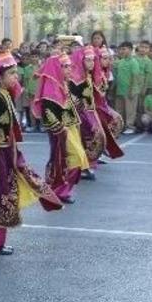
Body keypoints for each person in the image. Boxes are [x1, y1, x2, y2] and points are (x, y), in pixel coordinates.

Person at [0, 51, 62, 255]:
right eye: (12, 73)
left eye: (16, 72)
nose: (16, 77)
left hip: (4, 152)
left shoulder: (3, 95)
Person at [33, 53, 90, 205]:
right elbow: (48, 112)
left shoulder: (63, 84)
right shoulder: (50, 88)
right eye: (64, 67)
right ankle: (59, 190)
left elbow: (68, 104)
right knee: (64, 159)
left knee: (75, 157)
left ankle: (63, 190)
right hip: (60, 130)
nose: (69, 69)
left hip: (70, 127)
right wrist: (59, 128)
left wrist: (77, 103)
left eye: (69, 66)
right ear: (56, 69)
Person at [68, 46, 107, 181]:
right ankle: (81, 168)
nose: (91, 63)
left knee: (92, 138)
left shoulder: (88, 75)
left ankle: (85, 166)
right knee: (83, 140)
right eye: (88, 60)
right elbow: (73, 99)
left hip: (89, 112)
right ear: (81, 61)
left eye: (93, 60)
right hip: (80, 115)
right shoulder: (76, 79)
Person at [92, 47, 125, 161]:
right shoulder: (92, 74)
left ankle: (101, 151)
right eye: (105, 58)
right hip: (93, 108)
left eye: (109, 58)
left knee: (116, 122)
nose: (108, 61)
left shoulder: (104, 72)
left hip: (101, 105)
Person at [113, 42, 141, 134]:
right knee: (119, 109)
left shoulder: (134, 62)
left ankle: (130, 126)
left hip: (130, 90)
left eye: (124, 49)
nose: (122, 51)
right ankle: (120, 126)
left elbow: (135, 76)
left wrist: (132, 90)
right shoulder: (120, 61)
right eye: (121, 49)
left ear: (130, 50)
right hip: (120, 90)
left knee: (130, 110)